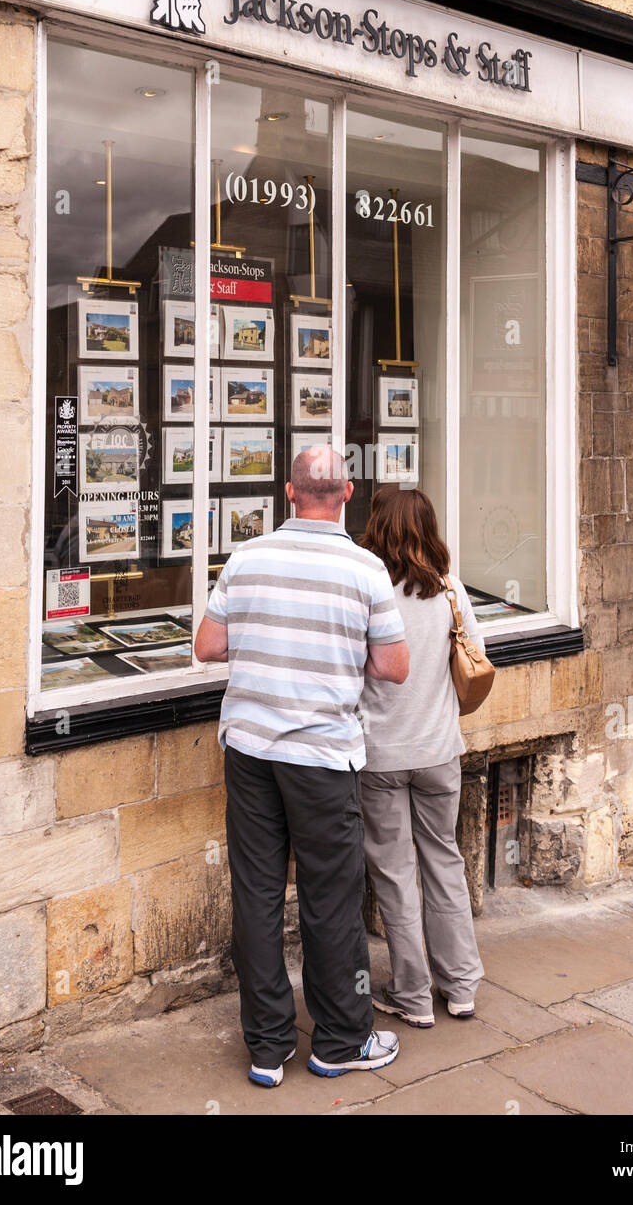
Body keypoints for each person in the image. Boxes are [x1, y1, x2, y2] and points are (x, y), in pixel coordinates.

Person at [194, 448, 410, 1087]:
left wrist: (262, 638)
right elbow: (395, 666)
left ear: (290, 492)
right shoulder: (365, 569)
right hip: (320, 754)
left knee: (256, 895)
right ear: (346, 492)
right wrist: (345, 653)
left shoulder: (248, 558)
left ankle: (267, 1047)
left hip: (252, 751)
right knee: (330, 896)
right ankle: (340, 1040)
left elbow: (207, 646)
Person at [359, 485, 485, 1028]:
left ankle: (412, 996)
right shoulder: (450, 589)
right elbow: (476, 656)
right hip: (438, 751)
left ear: (377, 530)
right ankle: (460, 988)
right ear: (428, 528)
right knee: (445, 864)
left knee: (394, 874)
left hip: (381, 755)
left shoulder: (367, 592)